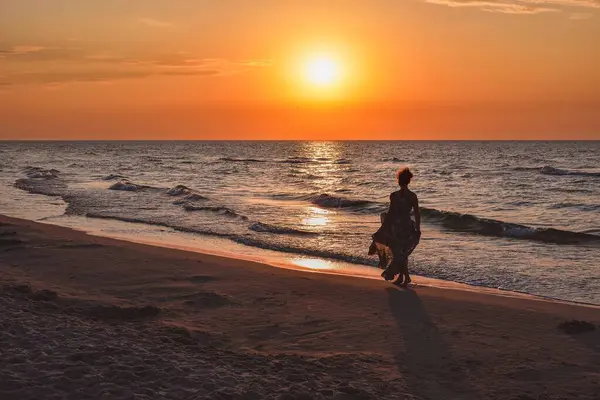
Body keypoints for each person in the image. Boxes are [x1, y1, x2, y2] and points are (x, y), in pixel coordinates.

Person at [370, 167, 421, 286]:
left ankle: (404, 278)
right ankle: (404, 278)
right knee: (402, 254)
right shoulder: (412, 196)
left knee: (399, 254)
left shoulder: (394, 196)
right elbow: (417, 213)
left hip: (395, 228)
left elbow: (390, 214)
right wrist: (418, 229)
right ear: (409, 181)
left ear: (398, 181)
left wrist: (382, 229)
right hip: (407, 227)